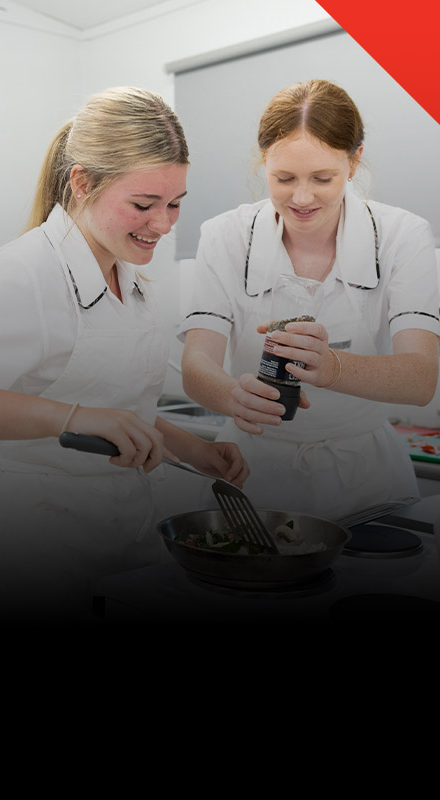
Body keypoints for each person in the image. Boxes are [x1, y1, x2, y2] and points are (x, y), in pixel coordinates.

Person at [0, 86, 248, 623]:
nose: (164, 224)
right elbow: (83, 411)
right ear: (83, 183)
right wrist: (73, 418)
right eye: (143, 204)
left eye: (175, 203)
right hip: (34, 544)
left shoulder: (130, 278)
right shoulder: (21, 274)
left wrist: (195, 450)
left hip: (123, 532)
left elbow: (121, 405)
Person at [179, 79, 440, 523]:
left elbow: (420, 381)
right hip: (253, 470)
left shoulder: (402, 236)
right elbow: (196, 364)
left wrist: (333, 367)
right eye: (284, 178)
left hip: (367, 477)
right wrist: (231, 395)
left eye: (323, 178)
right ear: (263, 160)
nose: (301, 198)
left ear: (353, 162)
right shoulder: (226, 236)